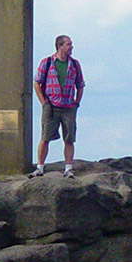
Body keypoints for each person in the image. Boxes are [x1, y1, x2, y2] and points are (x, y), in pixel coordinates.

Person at [29, 35, 85, 179]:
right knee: (45, 137)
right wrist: (44, 103)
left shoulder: (75, 64)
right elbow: (36, 83)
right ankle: (40, 167)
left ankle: (68, 168)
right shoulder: (47, 62)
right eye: (68, 44)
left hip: (68, 106)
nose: (71, 47)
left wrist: (76, 103)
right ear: (60, 46)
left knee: (69, 138)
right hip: (51, 106)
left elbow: (80, 85)